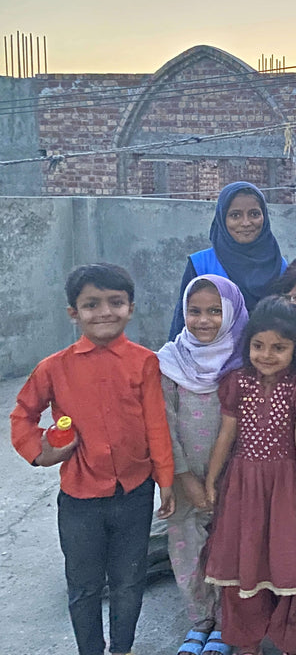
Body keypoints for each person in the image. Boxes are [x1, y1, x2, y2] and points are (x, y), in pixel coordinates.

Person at [10, 263, 176, 655]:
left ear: (130, 308)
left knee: (129, 580)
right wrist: (42, 452)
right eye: (91, 304)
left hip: (134, 493)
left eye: (115, 302)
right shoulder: (54, 368)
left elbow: (156, 424)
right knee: (84, 586)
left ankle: (122, 648)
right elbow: (22, 415)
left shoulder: (145, 362)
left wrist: (166, 479)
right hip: (80, 497)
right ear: (74, 313)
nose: (104, 312)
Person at [203, 297, 296, 655]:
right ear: (247, 345)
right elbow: (226, 435)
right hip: (243, 486)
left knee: (291, 560)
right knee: (245, 560)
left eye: (279, 347)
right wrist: (212, 479)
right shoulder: (237, 382)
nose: (267, 355)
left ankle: (295, 641)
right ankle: (247, 640)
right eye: (258, 346)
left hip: (286, 486)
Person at [158, 275, 248, 655]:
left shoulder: (243, 362)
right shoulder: (170, 361)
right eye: (194, 311)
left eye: (215, 311)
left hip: (234, 479)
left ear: (232, 313)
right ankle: (200, 622)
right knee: (187, 552)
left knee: (230, 551)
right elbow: (162, 424)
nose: (204, 320)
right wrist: (184, 478)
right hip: (184, 480)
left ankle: (226, 625)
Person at [170, 181, 287, 337]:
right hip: (210, 351)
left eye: (254, 214)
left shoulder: (279, 265)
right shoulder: (201, 265)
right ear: (222, 219)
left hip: (264, 350)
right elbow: (183, 321)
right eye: (235, 215)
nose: (246, 223)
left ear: (264, 217)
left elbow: (287, 324)